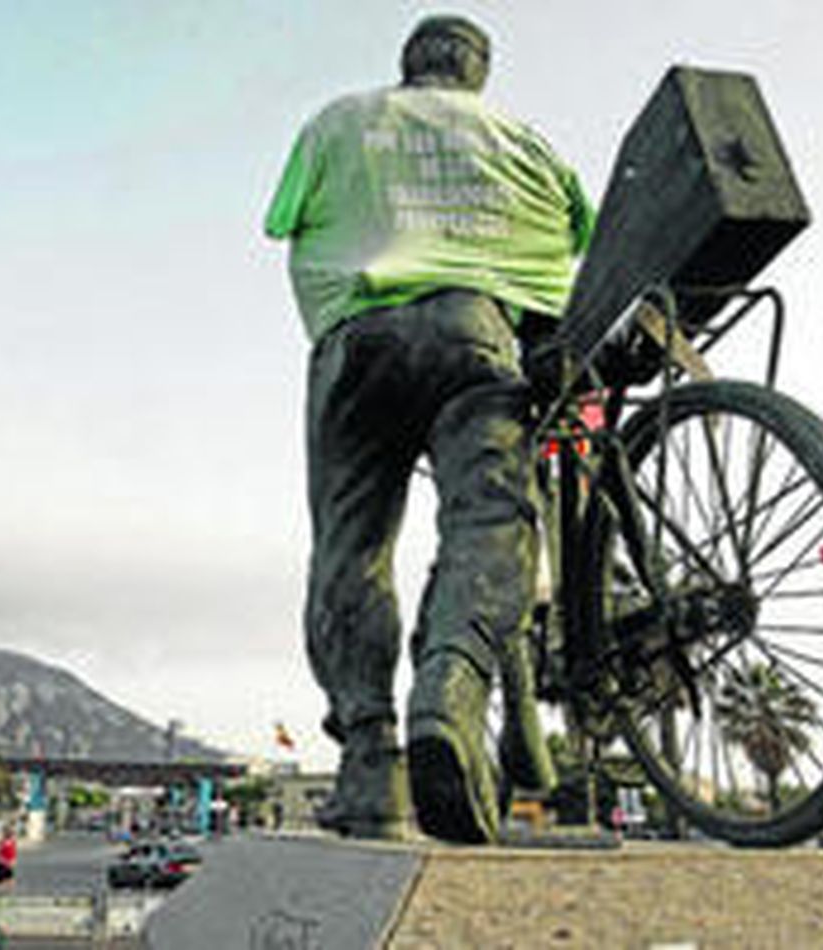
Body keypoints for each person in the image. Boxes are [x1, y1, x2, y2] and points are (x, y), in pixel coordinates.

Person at [264, 14, 593, 844]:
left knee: (351, 548)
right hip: (474, 335)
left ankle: (369, 761)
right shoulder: (528, 143)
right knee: (490, 518)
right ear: (477, 73)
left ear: (408, 66)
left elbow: (286, 218)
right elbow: (577, 240)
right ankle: (449, 684)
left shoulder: (339, 119)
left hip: (357, 345)